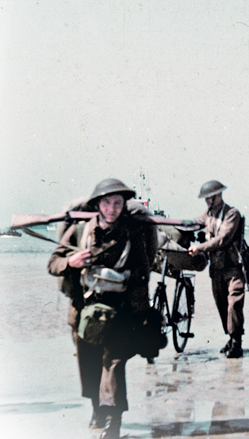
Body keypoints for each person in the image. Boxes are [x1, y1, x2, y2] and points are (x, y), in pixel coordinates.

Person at [47, 178, 158, 439]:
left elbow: (145, 268)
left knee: (114, 363)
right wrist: (71, 262)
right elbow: (53, 263)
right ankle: (98, 409)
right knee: (90, 364)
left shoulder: (132, 233)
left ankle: (114, 421)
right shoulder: (79, 232)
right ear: (97, 205)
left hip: (120, 312)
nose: (112, 209)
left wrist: (128, 279)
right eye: (107, 203)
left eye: (117, 203)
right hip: (84, 312)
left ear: (124, 205)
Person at [188, 180, 246, 358]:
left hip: (233, 268)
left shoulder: (232, 213)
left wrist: (200, 247)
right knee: (221, 306)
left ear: (217, 195)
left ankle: (237, 343)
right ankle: (230, 337)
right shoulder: (208, 214)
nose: (206, 201)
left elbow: (223, 239)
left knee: (234, 304)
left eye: (208, 198)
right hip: (216, 269)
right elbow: (193, 223)